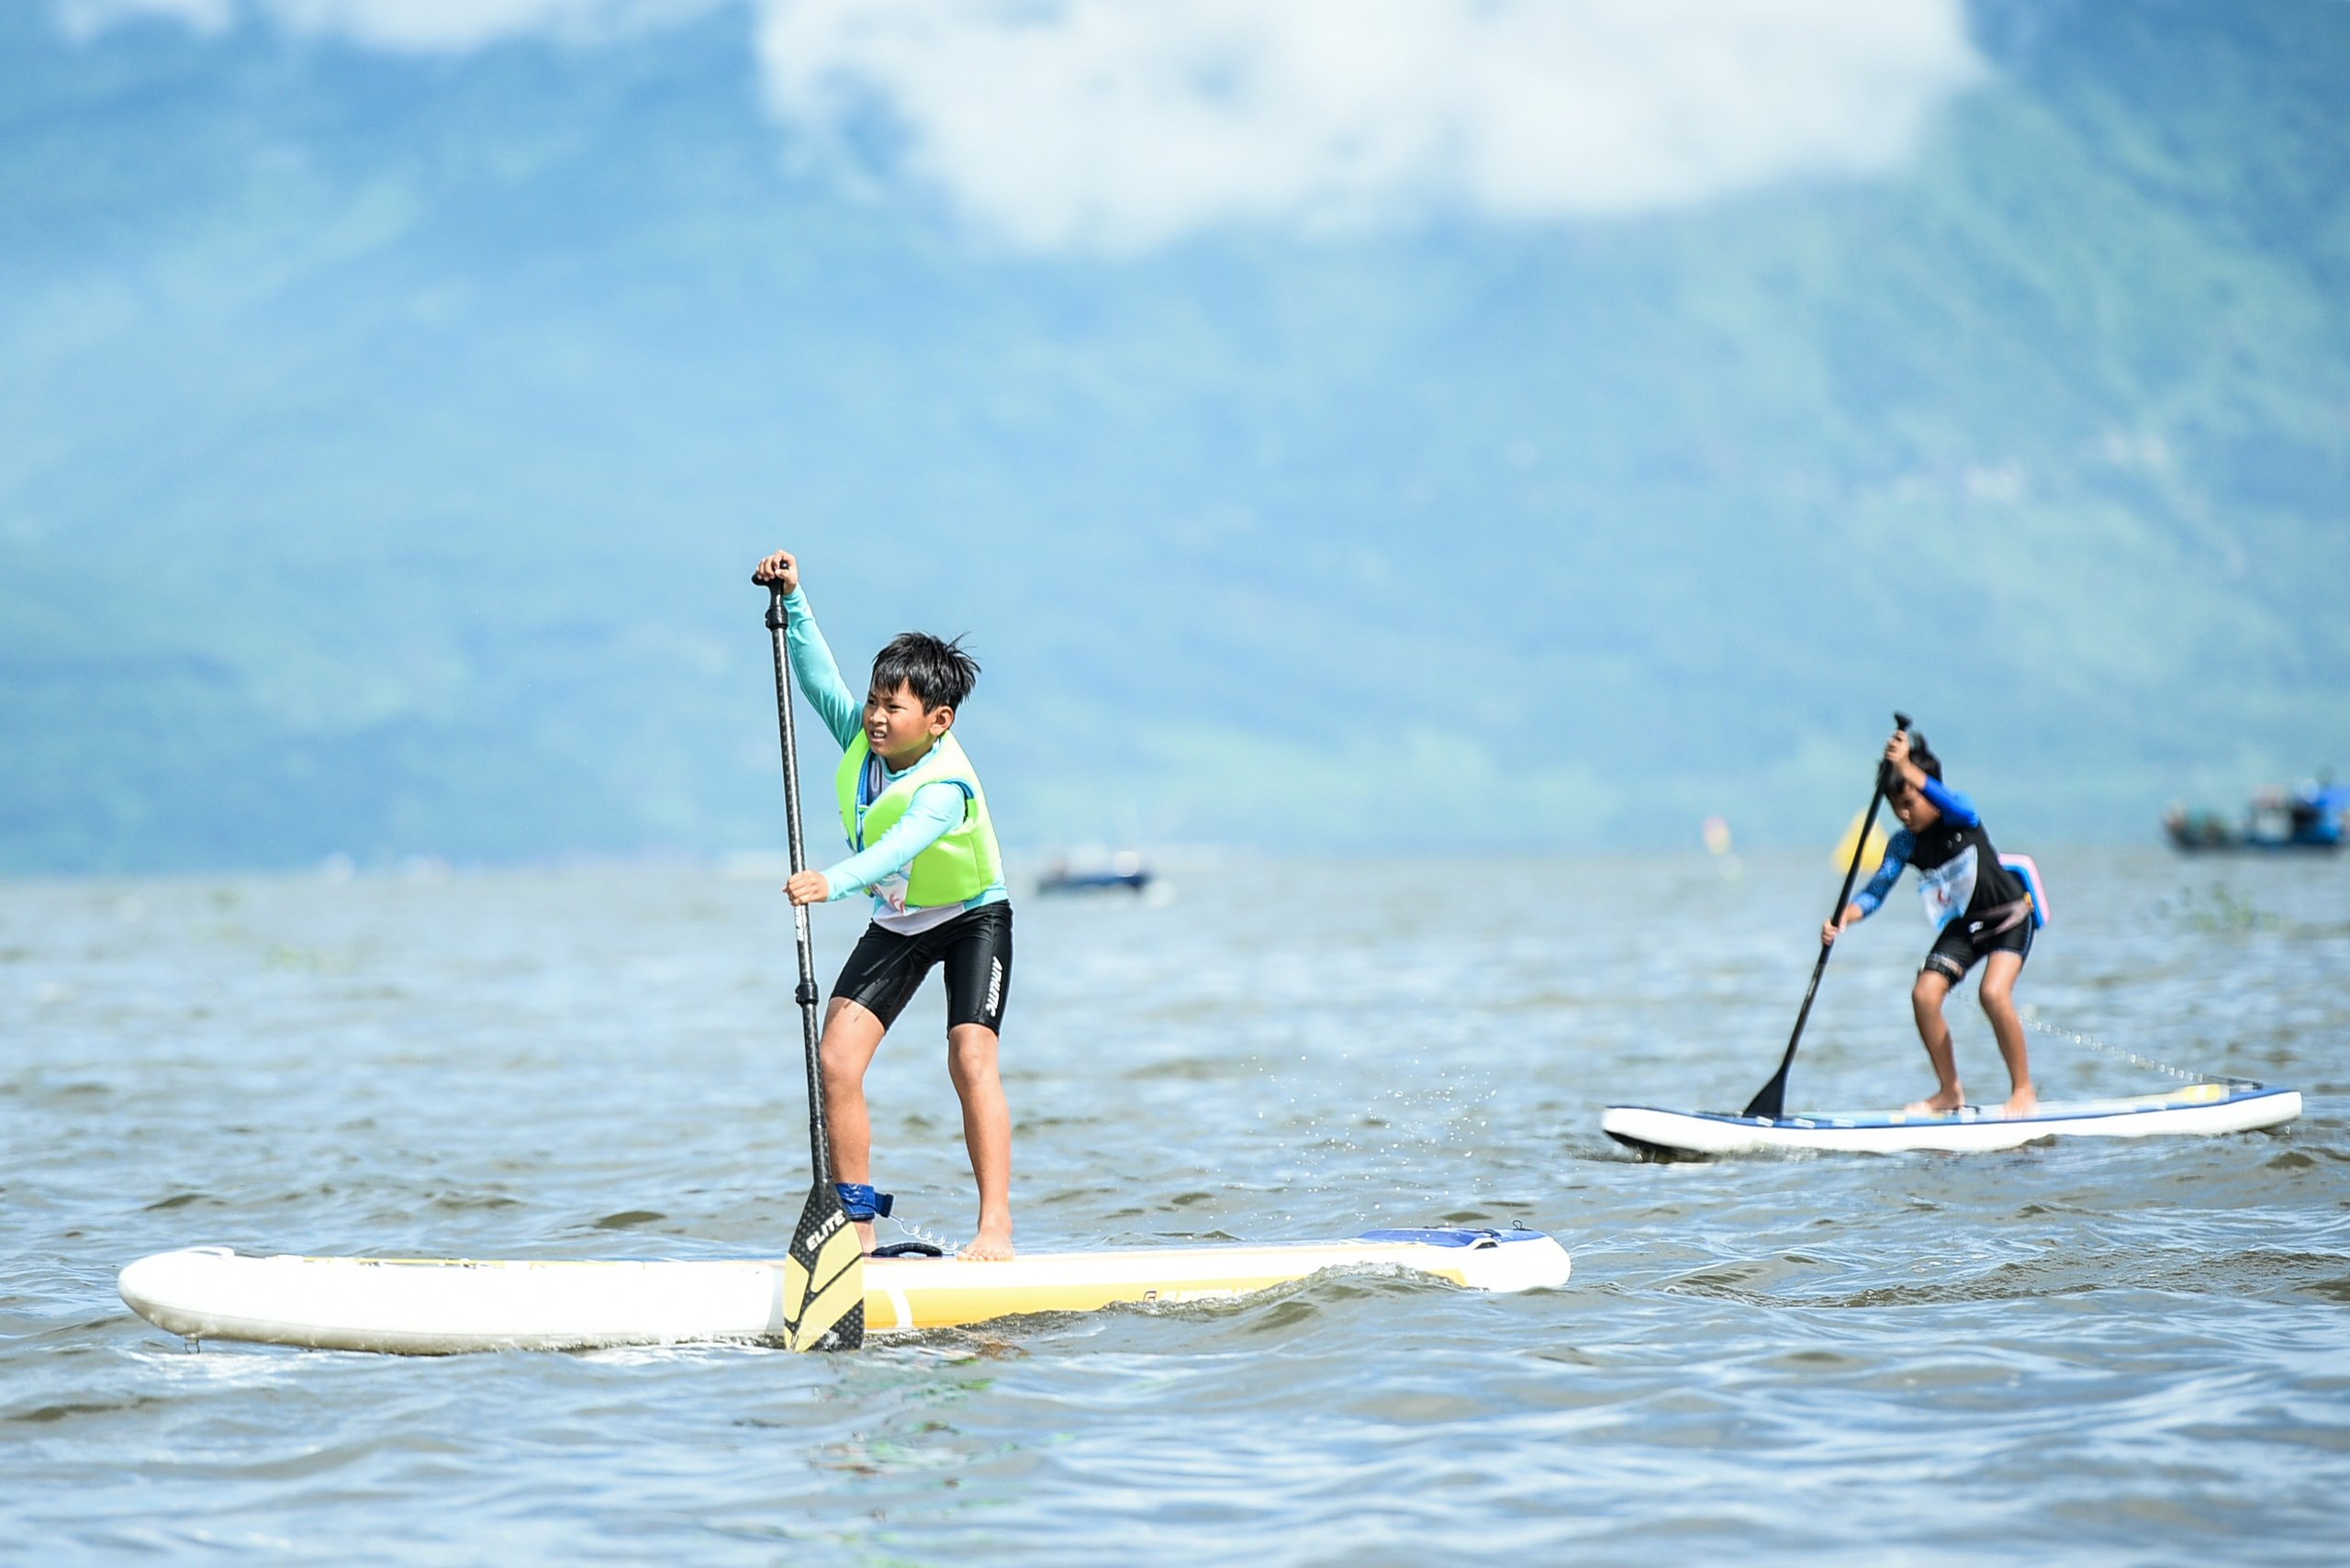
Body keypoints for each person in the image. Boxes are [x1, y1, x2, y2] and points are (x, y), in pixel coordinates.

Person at [752, 549, 1016, 1260]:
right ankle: (858, 1232)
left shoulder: (944, 785)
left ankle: (996, 1230)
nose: (873, 716)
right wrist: (795, 601)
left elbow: (897, 849)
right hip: (899, 921)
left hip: (971, 919)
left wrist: (830, 883)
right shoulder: (860, 741)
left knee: (969, 1056)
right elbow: (815, 679)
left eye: (892, 708)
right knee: (835, 1059)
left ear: (937, 719)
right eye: (873, 700)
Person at [1822, 728, 2039, 1118]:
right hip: (1965, 927)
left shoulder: (1960, 813)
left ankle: (2024, 1091)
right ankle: (1948, 1091)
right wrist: (1844, 918)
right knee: (1924, 995)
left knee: (1993, 994)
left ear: (1929, 789)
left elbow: (1961, 807)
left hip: (2009, 915)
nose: (1904, 815)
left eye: (1910, 803)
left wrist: (1906, 765)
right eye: (1895, 807)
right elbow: (1874, 893)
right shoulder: (1904, 844)